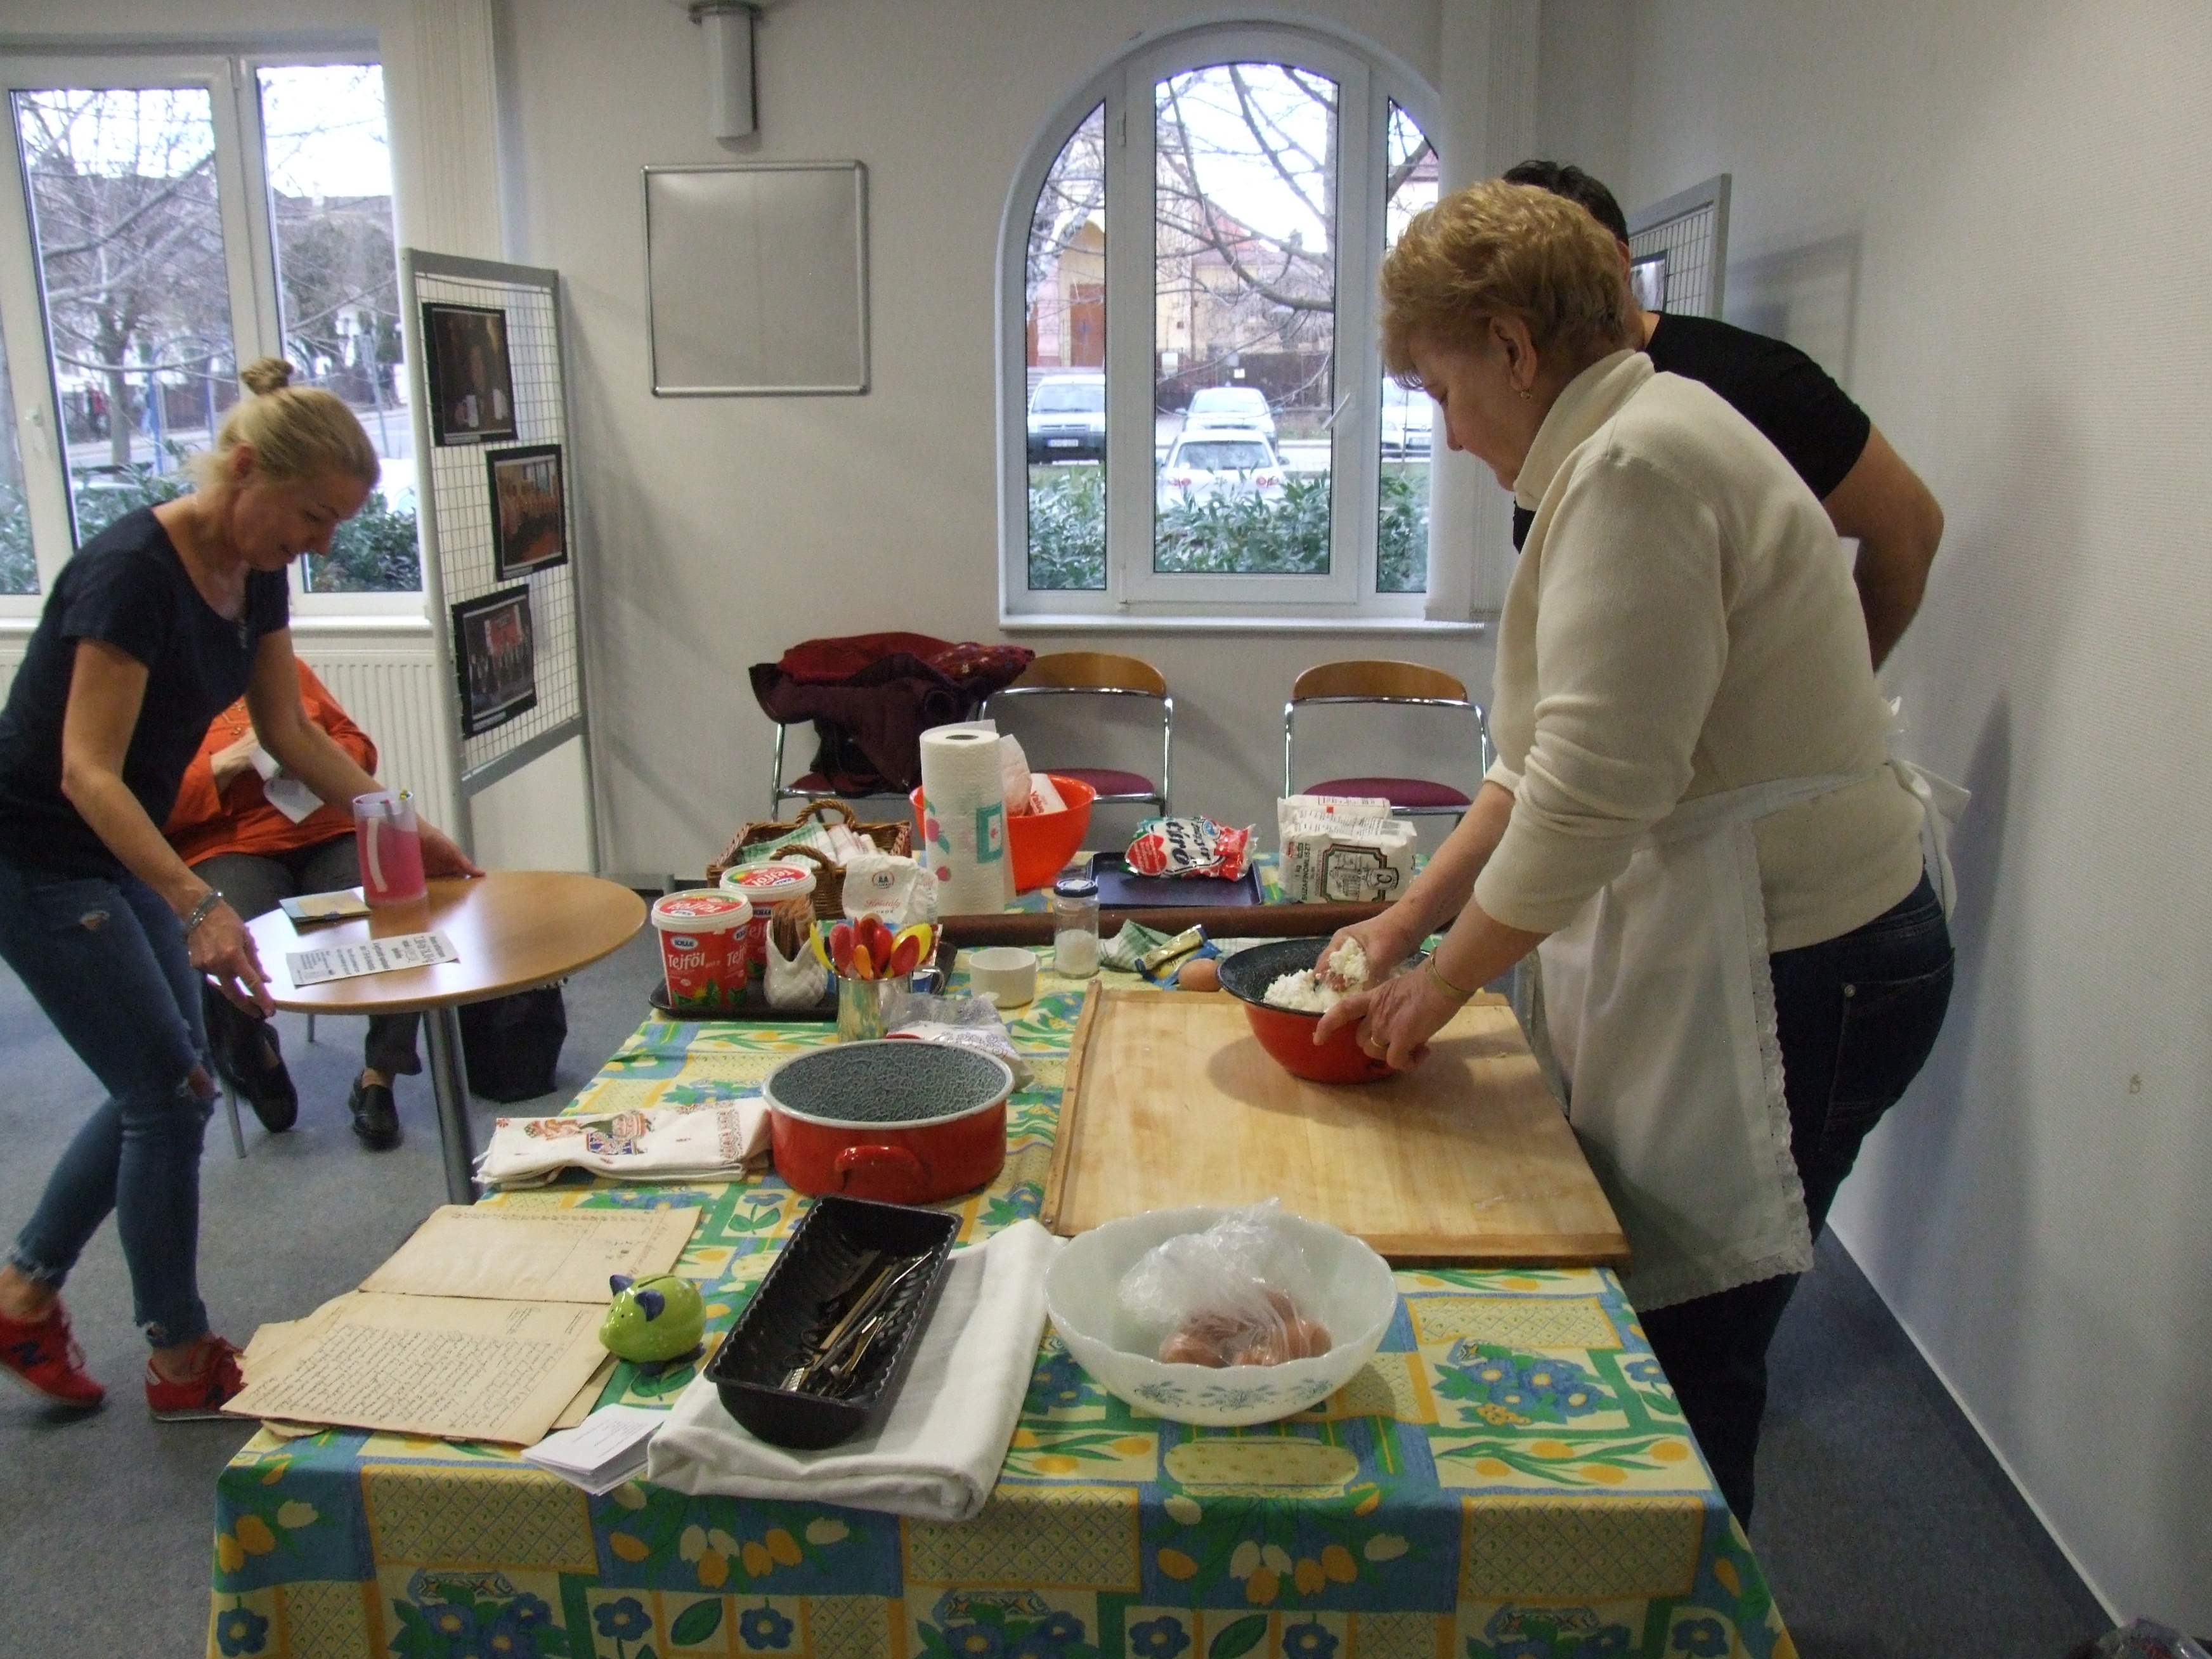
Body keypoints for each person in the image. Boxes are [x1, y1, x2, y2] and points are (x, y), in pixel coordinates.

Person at [1318, 182, 1956, 1523]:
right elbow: (1536, 756)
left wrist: (1443, 986)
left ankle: (1677, 1599)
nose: (1449, 433)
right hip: (1790, 938)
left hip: (1811, 954)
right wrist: (1406, 922)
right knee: (1670, 1306)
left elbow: (1590, 793)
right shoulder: (1629, 443)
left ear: (1511, 345)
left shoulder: (1635, 467)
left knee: (1695, 1330)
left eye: (1441, 391)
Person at [0, 358, 478, 1419]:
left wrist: (404, 826)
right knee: (166, 1095)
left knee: (167, 1084)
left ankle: (23, 1294)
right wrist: (199, 903)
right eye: (312, 517)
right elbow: (85, 772)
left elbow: (288, 731)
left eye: (333, 527)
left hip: (114, 846)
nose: (319, 545)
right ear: (247, 468)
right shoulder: (131, 574)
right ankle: (179, 1356)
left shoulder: (256, 570)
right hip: (39, 852)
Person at [1500, 159, 1944, 667]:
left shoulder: (1748, 378)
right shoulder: (1533, 392)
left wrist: (1834, 689)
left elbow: (1909, 525)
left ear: (1615, 264)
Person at [166, 660, 423, 1150]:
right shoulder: (150, 693)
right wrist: (224, 766)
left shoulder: (277, 667)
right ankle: (255, 1057)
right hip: (228, 845)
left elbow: (360, 749)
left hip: (325, 832)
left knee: (397, 915)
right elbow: (146, 806)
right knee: (228, 935)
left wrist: (310, 754)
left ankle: (379, 1076)